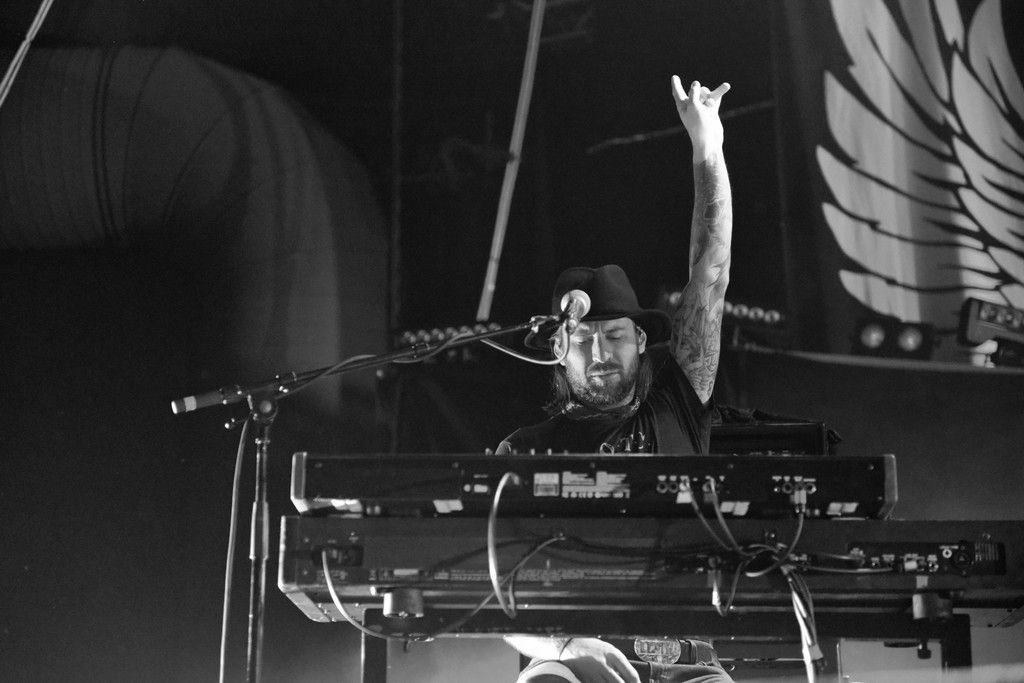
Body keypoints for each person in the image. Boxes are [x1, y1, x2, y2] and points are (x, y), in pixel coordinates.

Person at [499, 75, 735, 683]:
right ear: (558, 348)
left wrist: (707, 150)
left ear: (642, 341)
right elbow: (496, 593)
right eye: (582, 339)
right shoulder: (523, 452)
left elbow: (709, 277)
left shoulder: (677, 402)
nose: (600, 351)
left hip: (686, 666)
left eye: (615, 336)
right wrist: (568, 642)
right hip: (574, 660)